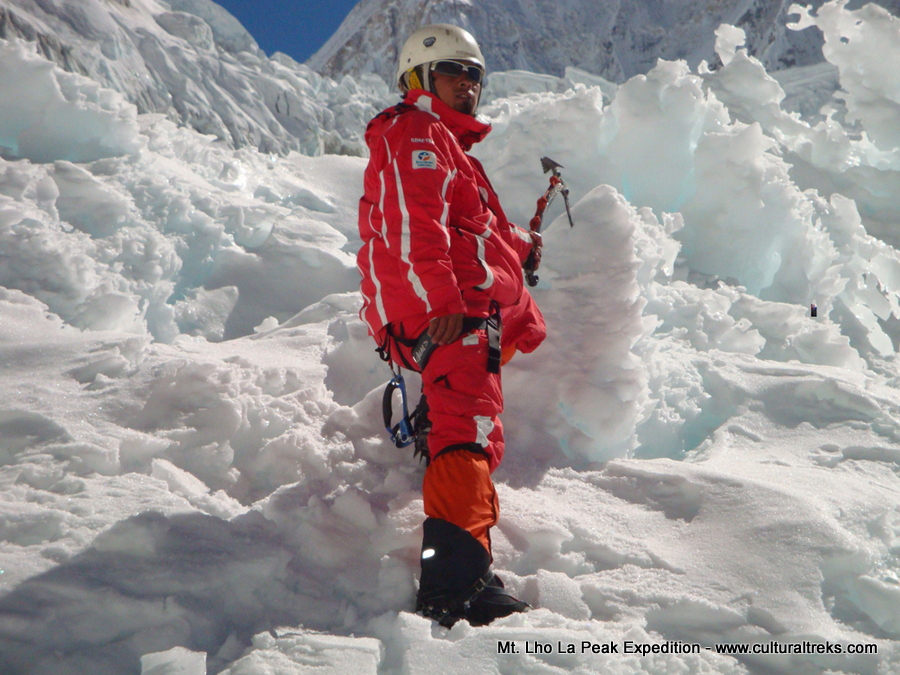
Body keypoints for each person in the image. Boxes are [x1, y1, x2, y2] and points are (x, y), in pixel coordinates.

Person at [357, 23, 546, 627]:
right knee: (468, 427)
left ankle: (435, 422)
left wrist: (521, 246)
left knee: (482, 397)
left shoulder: (449, 146)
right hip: (447, 309)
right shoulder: (415, 129)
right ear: (418, 79)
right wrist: (441, 300)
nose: (467, 83)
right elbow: (415, 220)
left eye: (474, 74)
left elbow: (473, 225)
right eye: (451, 71)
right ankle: (455, 584)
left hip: (462, 304)